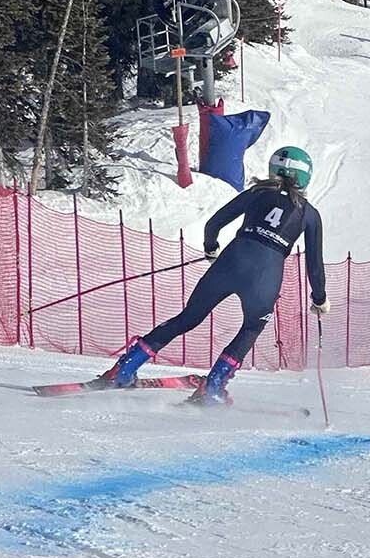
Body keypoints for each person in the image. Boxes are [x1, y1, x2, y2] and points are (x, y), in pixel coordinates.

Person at [102, 147, 327, 405]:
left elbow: (214, 224)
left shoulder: (257, 192)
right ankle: (213, 387)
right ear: (305, 177)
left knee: (188, 318)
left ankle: (125, 368)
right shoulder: (310, 214)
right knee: (251, 327)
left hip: (230, 262)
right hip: (265, 276)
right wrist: (319, 299)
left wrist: (211, 248)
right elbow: (314, 266)